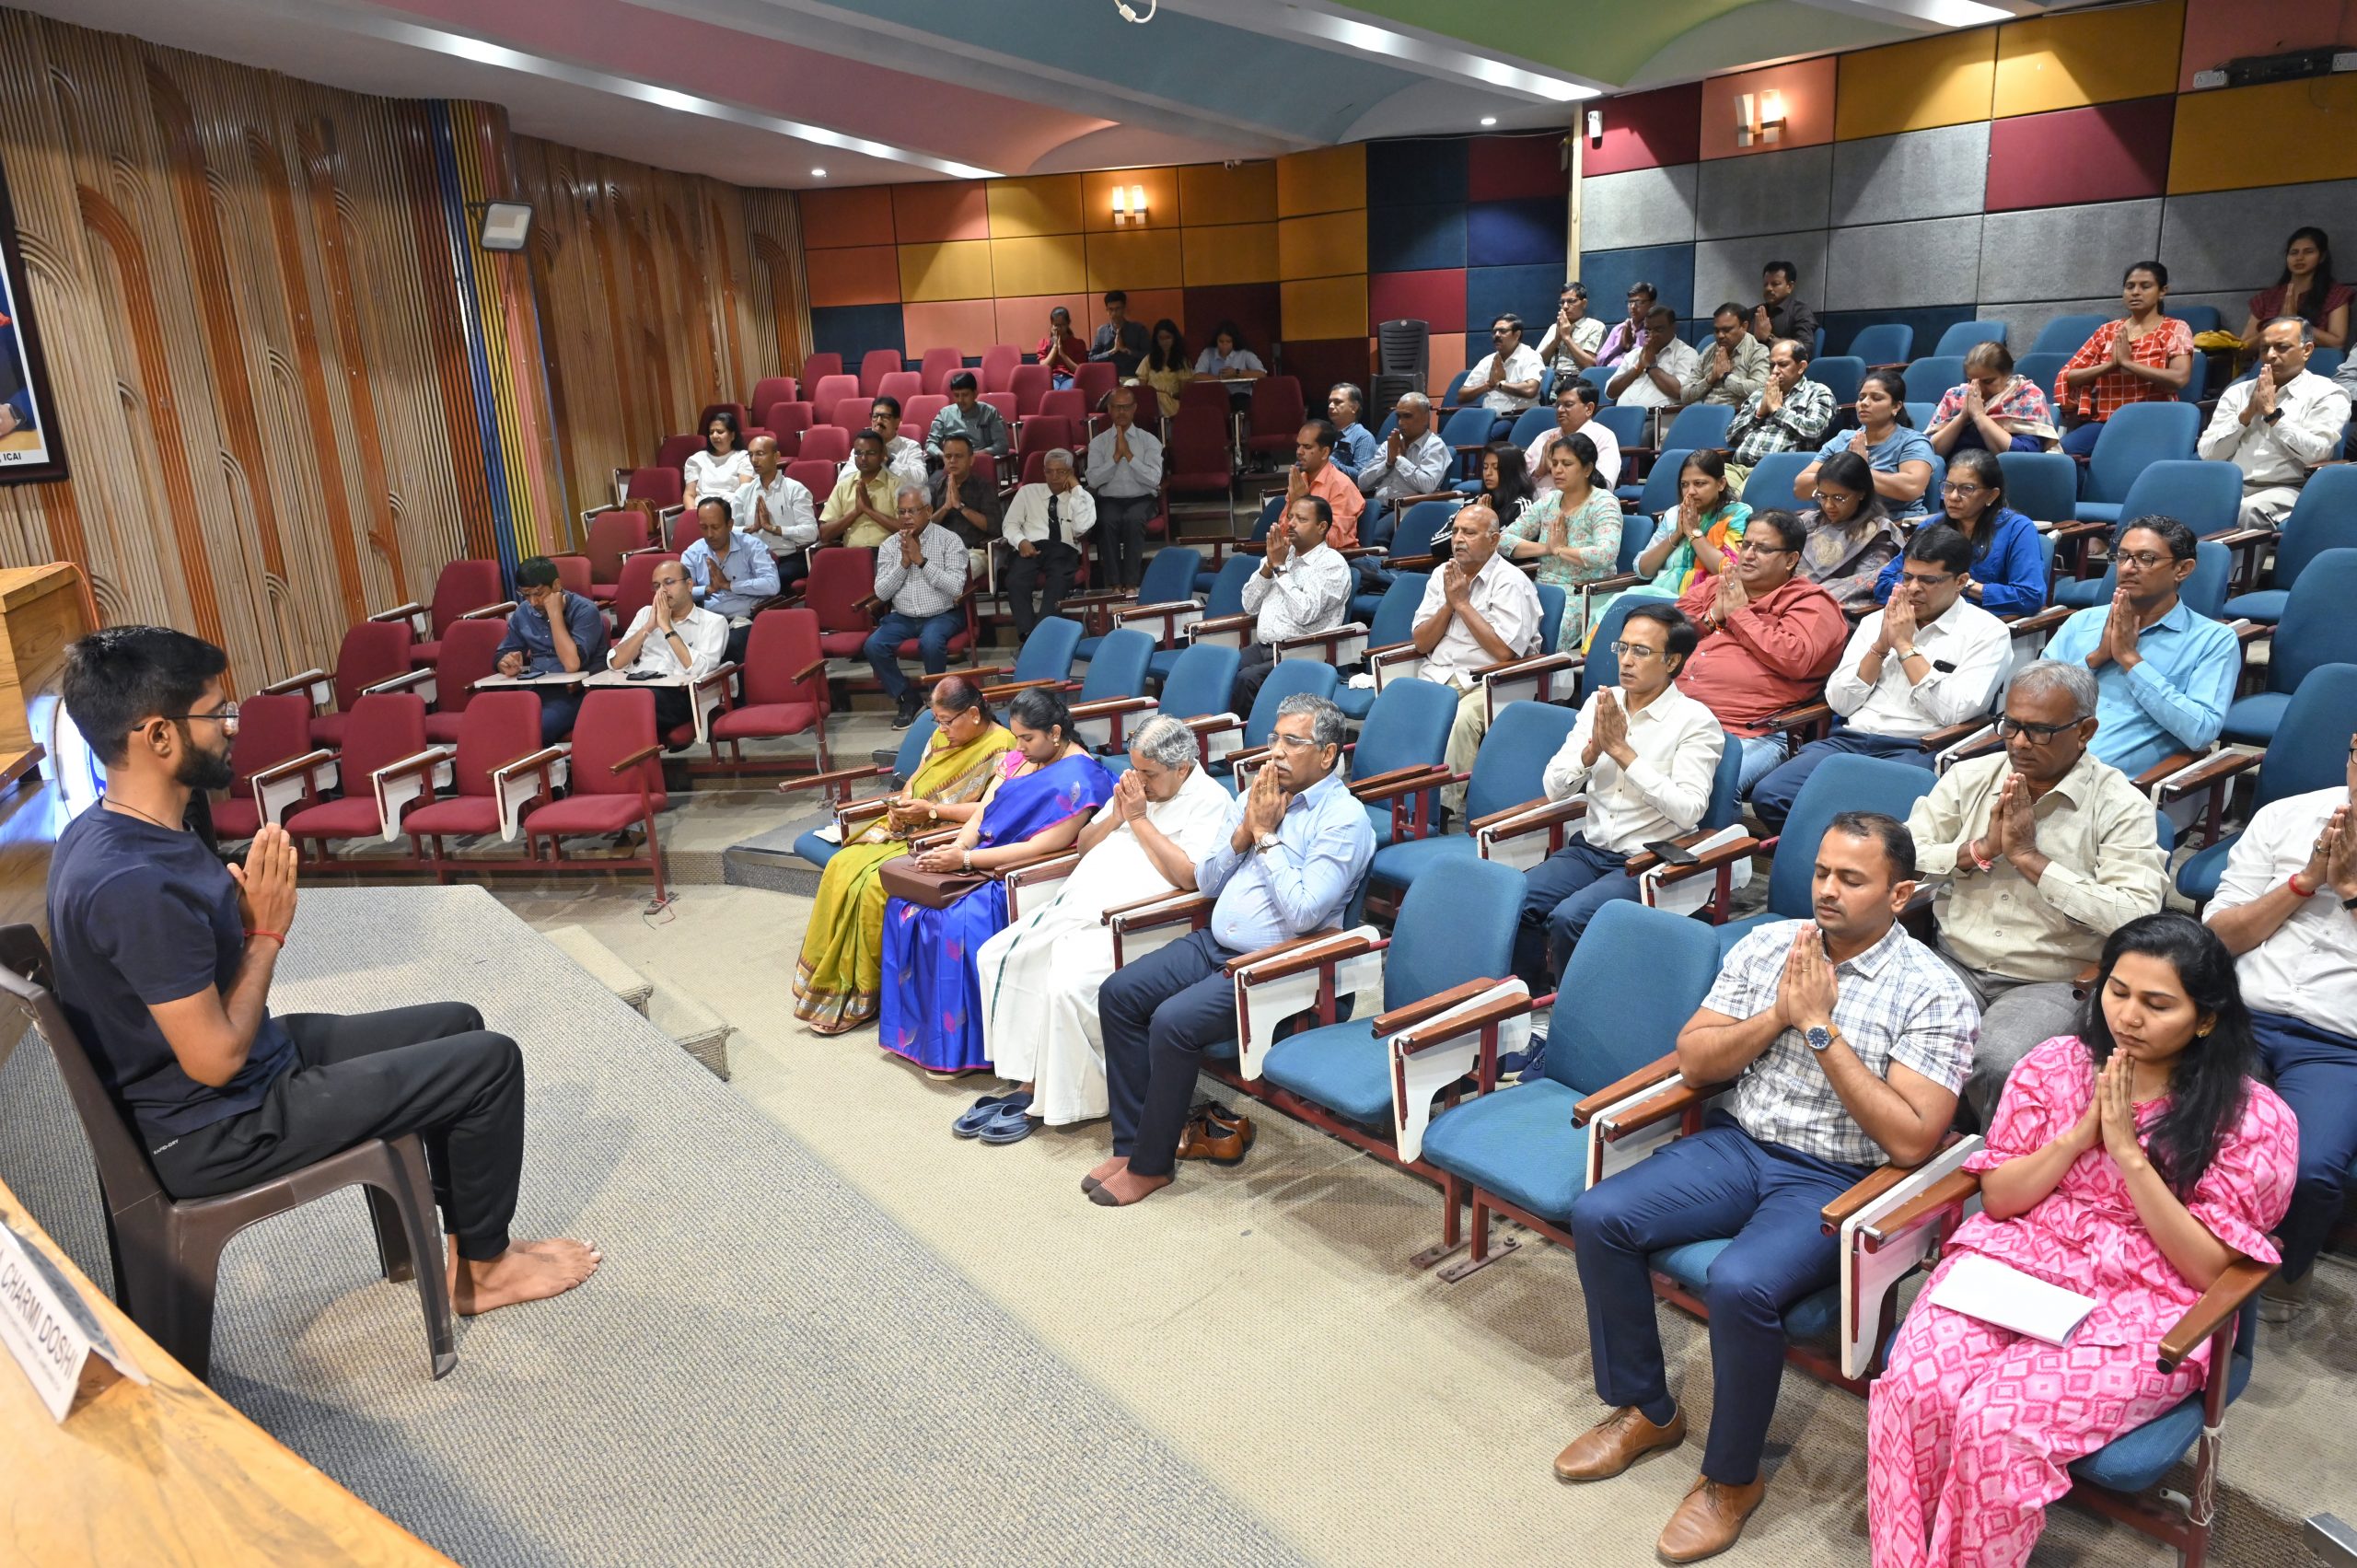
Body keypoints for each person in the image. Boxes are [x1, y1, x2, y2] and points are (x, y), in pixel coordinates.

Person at [47, 628, 600, 1317]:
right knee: (490, 1063)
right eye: (216, 713)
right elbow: (215, 1059)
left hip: (234, 1079)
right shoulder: (131, 883)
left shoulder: (110, 829)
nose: (231, 726)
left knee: (459, 1025)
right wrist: (266, 934)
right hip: (214, 1126)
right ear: (159, 736)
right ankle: (483, 1275)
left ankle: (469, 1246)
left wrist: (232, 921)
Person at [1562, 813, 1975, 1563]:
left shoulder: (1934, 992)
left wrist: (1818, 1028)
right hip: (1738, 1145)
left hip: (1837, 1176)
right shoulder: (1767, 945)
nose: (1827, 889)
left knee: (1740, 1282)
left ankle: (1731, 1478)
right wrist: (1780, 1013)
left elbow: (1914, 1139)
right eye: (1821, 872)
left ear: (1900, 893)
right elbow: (1696, 1057)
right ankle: (1646, 1408)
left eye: (1851, 878)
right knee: (1600, 1215)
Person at [1866, 913, 2294, 1568]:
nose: (2128, 1016)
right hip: (2016, 1261)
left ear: (2206, 1018)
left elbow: (2209, 1268)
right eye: (2117, 991)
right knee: (1916, 1389)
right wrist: (2077, 1137)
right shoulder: (2053, 1064)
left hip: (2149, 1297)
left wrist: (2128, 1154)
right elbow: (2001, 1199)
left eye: (2158, 1004)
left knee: (1998, 1422)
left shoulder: (2251, 1116)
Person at [1089, 694, 1374, 1208]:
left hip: (1279, 965)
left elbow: (1304, 913)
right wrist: (1244, 832)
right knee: (1119, 993)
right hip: (1215, 944)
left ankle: (1151, 1166)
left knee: (1172, 1023)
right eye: (1274, 738)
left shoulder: (1344, 820)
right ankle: (1130, 1145)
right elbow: (1206, 880)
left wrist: (1265, 836)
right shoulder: (1255, 795)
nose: (1276, 751)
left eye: (1293, 741)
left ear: (1328, 754)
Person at [1904, 659, 2169, 1126]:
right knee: (1878, 1020)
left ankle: (1995, 1159)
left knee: (2001, 1060)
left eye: (2040, 731)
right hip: (1953, 960)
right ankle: (1907, 1145)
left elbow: (2136, 914)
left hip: (2051, 978)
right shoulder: (1969, 778)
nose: (2019, 742)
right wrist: (1977, 851)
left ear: (2085, 731)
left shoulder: (2121, 806)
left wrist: (2032, 861)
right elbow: (1900, 856)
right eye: (2011, 725)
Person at [970, 715, 1233, 1137]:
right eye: (1135, 769)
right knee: (998, 955)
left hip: (1139, 921)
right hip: (1081, 901)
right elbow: (1084, 846)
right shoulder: (1135, 787)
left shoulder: (1211, 800)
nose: (1139, 781)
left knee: (1066, 986)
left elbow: (1189, 877)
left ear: (1182, 768)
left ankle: (1071, 1098)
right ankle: (1029, 1077)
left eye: (1149, 773)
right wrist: (1117, 816)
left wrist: (1140, 819)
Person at [878, 686, 1115, 1074]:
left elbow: (1042, 846)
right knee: (904, 906)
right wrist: (957, 848)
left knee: (949, 921)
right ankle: (920, 1039)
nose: (1018, 747)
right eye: (1017, 736)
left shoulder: (1081, 778)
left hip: (1015, 874)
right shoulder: (1021, 759)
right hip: (980, 857)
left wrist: (966, 859)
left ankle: (963, 1050)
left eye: (1027, 738)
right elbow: (983, 813)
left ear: (1055, 733)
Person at [2203, 729, 2357, 1322]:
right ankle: (2187, 1252)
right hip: (2244, 1015)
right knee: (2191, 1127)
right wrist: (2304, 882)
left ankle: (2285, 1272)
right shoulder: (2286, 817)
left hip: (2340, 1042)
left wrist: (2349, 892)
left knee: (2311, 1169)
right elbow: (2219, 937)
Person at [1750, 526, 2009, 832]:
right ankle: (1827, 854)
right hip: (1850, 741)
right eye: (1907, 577)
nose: (1913, 589)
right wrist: (1880, 647)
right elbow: (1840, 703)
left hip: (1917, 749)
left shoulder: (1987, 633)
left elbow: (1955, 712)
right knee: (1772, 795)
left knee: (1872, 820)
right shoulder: (1876, 622)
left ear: (1961, 582)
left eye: (1928, 580)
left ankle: (1854, 857)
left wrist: (1905, 648)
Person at [792, 679, 1014, 1034]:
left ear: (974, 714)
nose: (942, 729)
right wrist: (902, 805)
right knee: (840, 866)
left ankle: (863, 997)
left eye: (947, 721)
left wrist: (931, 811)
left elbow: (990, 810)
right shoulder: (942, 736)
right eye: (937, 721)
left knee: (872, 887)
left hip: (948, 835)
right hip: (911, 823)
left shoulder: (1004, 746)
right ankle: (827, 986)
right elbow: (916, 779)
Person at [1515, 605, 1721, 985]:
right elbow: (1553, 788)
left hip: (1647, 861)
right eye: (1622, 647)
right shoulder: (1600, 705)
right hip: (1590, 850)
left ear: (1672, 661)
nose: (1626, 660)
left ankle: (1578, 1011)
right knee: (1516, 900)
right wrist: (1592, 751)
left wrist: (1623, 753)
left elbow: (1690, 811)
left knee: (1571, 918)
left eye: (1641, 651)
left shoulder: (1695, 722)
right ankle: (1530, 1001)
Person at [2041, 516, 2238, 778]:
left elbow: (2200, 732)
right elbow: (2033, 701)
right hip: (2041, 765)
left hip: (2115, 786)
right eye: (2122, 556)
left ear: (2182, 569)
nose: (2127, 568)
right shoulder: (2082, 623)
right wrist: (2095, 659)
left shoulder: (2213, 640)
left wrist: (2131, 661)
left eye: (2146, 558)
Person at [1672, 509, 1848, 794]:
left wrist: (1739, 615)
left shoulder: (1811, 603)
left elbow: (1794, 658)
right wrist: (1713, 616)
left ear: (1791, 560)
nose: (1749, 555)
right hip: (1677, 718)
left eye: (1763, 549)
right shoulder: (1718, 585)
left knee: (1704, 789)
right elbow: (1666, 635)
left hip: (1750, 732)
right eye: (1746, 545)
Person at [1411, 504, 1543, 815]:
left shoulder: (1510, 581)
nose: (1458, 539)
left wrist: (1463, 604)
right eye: (1456, 531)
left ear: (1494, 540)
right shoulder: (1442, 574)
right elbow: (1421, 642)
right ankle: (1399, 794)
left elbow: (1504, 651)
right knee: (1404, 705)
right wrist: (1449, 603)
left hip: (1491, 680)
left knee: (1462, 719)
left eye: (1469, 533)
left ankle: (1440, 810)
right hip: (1440, 673)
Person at [2197, 315, 2352, 528]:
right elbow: (2208, 454)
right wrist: (2246, 415)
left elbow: (2317, 453)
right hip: (2231, 485)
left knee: (2248, 509)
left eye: (2282, 347)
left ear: (2307, 350)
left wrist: (2272, 415)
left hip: (2289, 488)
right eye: (2265, 348)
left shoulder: (2328, 393)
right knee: (2183, 500)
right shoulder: (2238, 392)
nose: (2270, 355)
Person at [1872, 447, 2044, 617]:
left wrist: (1962, 586)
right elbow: (1884, 583)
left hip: (1982, 624)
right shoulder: (1932, 526)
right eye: (1948, 487)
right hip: (1925, 619)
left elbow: (2029, 596)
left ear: (1991, 495)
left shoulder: (2017, 529)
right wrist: (1929, 587)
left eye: (1967, 489)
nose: (1953, 496)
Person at [2053, 261, 2196, 458]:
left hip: (2154, 421)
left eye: (2145, 286)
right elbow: (2070, 376)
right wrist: (2112, 365)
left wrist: (2128, 363)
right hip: (2106, 422)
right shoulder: (2107, 331)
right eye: (2130, 287)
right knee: (2058, 454)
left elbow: (2179, 378)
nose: (2135, 292)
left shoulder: (2175, 328)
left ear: (2162, 291)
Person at [865, 484, 971, 729]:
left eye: (912, 511)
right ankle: (907, 698)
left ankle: (938, 702)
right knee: (873, 645)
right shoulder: (890, 545)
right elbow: (881, 593)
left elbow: (956, 587)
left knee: (931, 643)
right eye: (901, 512)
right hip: (902, 617)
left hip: (942, 614)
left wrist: (921, 561)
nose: (906, 517)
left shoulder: (949, 540)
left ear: (928, 510)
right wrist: (904, 563)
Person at [1503, 435, 1621, 651]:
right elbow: (1503, 540)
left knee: (1534, 643)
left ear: (1587, 469)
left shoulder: (1604, 503)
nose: (1557, 470)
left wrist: (1560, 550)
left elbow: (1606, 555)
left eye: (1566, 464)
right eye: (1554, 463)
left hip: (1581, 594)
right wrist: (1547, 548)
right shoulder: (1550, 500)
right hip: (1540, 589)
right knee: (1501, 629)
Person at [1234, 494, 1351, 713]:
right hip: (1264, 647)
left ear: (1322, 527)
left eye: (1302, 519)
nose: (1292, 524)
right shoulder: (1280, 555)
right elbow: (1249, 605)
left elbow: (1306, 613)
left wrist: (1280, 569)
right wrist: (1268, 566)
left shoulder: (1331, 564)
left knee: (1247, 679)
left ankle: (1248, 733)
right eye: (1290, 517)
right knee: (1222, 668)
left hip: (1303, 652)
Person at [608, 558, 728, 738]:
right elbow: (615, 663)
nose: (662, 591)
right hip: (637, 688)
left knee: (626, 710)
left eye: (669, 582)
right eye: (657, 586)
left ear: (689, 585)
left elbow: (700, 670)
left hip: (678, 695)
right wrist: (648, 627)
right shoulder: (645, 615)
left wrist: (666, 626)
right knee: (599, 701)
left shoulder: (714, 623)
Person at [494, 555, 609, 744]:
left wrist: (555, 613)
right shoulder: (523, 612)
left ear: (556, 585)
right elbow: (503, 652)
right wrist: (505, 662)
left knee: (535, 729)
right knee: (493, 723)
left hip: (575, 692)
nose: (533, 602)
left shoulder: (585, 611)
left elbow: (572, 664)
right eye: (526, 595)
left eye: (538, 593)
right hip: (535, 688)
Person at [1796, 370, 1934, 523]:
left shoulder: (1912, 441)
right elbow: (1801, 487)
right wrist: (1842, 473)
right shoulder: (1843, 438)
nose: (1864, 403)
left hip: (1893, 525)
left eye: (1876, 398)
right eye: (1861, 397)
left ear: (1896, 406)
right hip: (1842, 524)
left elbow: (1911, 488)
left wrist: (1861, 470)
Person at [1627, 449, 1752, 606]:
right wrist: (1676, 535)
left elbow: (1730, 570)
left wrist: (1693, 532)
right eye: (1684, 485)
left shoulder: (1737, 514)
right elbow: (1643, 571)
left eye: (1699, 483)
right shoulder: (1675, 514)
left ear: (1721, 484)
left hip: (1701, 603)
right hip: (1657, 595)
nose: (1690, 492)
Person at [1001, 448, 1095, 641]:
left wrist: (1076, 489)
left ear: (1071, 472)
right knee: (1015, 580)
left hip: (1063, 549)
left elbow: (1081, 528)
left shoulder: (1082, 497)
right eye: (1049, 471)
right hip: (1031, 547)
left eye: (1061, 472)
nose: (1054, 477)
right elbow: (1009, 524)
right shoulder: (1027, 492)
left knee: (1059, 581)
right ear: (1043, 471)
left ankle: (1041, 638)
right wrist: (1021, 541)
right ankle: (1027, 635)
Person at [1794, 450, 1903, 612]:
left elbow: (1861, 585)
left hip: (1827, 609)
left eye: (1839, 498)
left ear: (1861, 493)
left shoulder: (1877, 532)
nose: (1828, 505)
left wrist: (1805, 595)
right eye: (1822, 496)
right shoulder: (1809, 520)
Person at [1724, 337, 1835, 492]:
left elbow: (1814, 430)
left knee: (1734, 500)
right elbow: (1731, 438)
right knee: (1703, 487)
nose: (1775, 371)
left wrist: (1777, 410)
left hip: (1779, 469)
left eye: (1782, 364)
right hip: (1738, 468)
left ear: (1801, 367)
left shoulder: (1818, 392)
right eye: (1772, 365)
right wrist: (1759, 413)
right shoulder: (1759, 395)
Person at [679, 496, 781, 664]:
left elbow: (772, 584)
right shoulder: (693, 553)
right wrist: (707, 589)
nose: (709, 534)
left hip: (744, 621)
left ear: (730, 524)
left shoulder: (751, 546)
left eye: (715, 527)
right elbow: (681, 592)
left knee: (727, 647)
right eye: (704, 527)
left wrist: (729, 585)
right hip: (708, 623)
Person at [1085, 389, 1162, 590]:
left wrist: (1129, 456)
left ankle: (1131, 584)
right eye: (1117, 407)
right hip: (1110, 499)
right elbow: (1093, 480)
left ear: (1134, 408)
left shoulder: (1149, 441)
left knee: (1133, 520)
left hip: (1142, 499)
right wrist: (1115, 458)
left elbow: (1154, 479)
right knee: (1105, 521)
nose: (1121, 412)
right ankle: (1115, 584)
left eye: (1126, 407)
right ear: (1109, 409)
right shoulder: (1098, 443)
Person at [1925, 341, 2057, 456]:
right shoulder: (1955, 396)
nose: (1978, 389)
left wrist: (1979, 416)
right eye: (1971, 381)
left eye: (1988, 381)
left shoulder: (2028, 396)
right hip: (1953, 469)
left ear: (2007, 374)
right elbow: (1928, 452)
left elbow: (2025, 454)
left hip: (2002, 472)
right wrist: (1963, 416)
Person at [1356, 391, 1453, 539]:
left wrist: (1399, 459)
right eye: (1398, 416)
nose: (1401, 422)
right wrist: (1388, 463)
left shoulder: (1434, 446)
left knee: (1372, 537)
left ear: (1426, 417)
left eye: (1407, 416)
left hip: (1408, 509)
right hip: (1377, 506)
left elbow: (1428, 486)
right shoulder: (1390, 443)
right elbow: (1362, 483)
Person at [2238, 226, 2349, 352]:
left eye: (2308, 252)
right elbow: (2242, 349)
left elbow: (2337, 343)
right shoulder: (2268, 298)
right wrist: (2275, 329)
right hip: (2267, 362)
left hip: (2314, 362)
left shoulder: (2335, 294)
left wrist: (2297, 324)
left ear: (2322, 257)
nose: (2299, 258)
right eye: (2294, 252)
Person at [735, 434, 819, 590]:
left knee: (774, 578)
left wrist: (773, 528)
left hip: (788, 556)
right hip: (754, 559)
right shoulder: (743, 492)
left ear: (776, 456)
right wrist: (750, 528)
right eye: (750, 455)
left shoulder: (795, 489)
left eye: (760, 454)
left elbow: (811, 532)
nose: (754, 460)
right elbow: (730, 530)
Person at [1276, 420, 1366, 552]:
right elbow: (1282, 534)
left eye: (1307, 447)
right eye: (1298, 446)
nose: (1299, 452)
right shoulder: (1300, 481)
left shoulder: (1341, 486)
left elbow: (1331, 540)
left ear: (1324, 453)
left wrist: (1300, 502)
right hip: (1294, 555)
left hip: (1335, 558)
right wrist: (1293, 503)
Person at [1528, 379, 1621, 495]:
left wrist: (1554, 468)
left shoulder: (1603, 437)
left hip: (1578, 505)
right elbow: (1517, 483)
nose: (1560, 410)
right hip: (1532, 504)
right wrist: (1540, 470)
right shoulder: (1544, 437)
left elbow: (1604, 488)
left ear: (1589, 409)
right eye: (1558, 405)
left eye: (1568, 405)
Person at [1607, 306, 1702, 418]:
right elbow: (1610, 392)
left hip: (1656, 421)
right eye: (1647, 330)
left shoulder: (1686, 353)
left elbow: (1681, 392)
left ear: (1673, 327)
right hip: (1622, 418)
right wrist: (1637, 368)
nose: (1651, 335)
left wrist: (1651, 367)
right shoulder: (1634, 354)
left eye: (1658, 330)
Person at [1460, 313, 1546, 436]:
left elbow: (1530, 390)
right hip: (1487, 419)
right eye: (1494, 331)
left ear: (1517, 334)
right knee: (1463, 433)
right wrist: (1487, 386)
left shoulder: (1531, 357)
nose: (1496, 335)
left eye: (1502, 331)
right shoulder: (1488, 360)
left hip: (1517, 419)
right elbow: (1462, 396)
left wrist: (1500, 384)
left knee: (1484, 435)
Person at [818, 429, 900, 549]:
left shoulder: (897, 485)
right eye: (858, 453)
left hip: (887, 554)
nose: (863, 458)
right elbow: (824, 534)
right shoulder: (843, 486)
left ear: (883, 456)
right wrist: (856, 512)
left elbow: (908, 529)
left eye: (871, 453)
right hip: (852, 555)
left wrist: (869, 511)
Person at [1682, 302, 1771, 410]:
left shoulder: (1758, 351)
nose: (1720, 335)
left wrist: (1726, 377)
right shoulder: (1709, 351)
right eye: (1717, 331)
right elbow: (1684, 395)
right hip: (1706, 413)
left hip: (1737, 415)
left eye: (1727, 330)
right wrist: (1710, 379)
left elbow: (1761, 389)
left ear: (1744, 326)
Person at [926, 430, 1003, 555]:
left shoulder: (984, 487)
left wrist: (961, 507)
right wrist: (945, 508)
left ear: (971, 460)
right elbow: (923, 529)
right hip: (938, 551)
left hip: (972, 552)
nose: (952, 460)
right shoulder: (934, 487)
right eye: (948, 456)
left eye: (959, 456)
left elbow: (994, 527)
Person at [838, 396, 927, 493]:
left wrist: (888, 462)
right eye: (875, 416)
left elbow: (920, 480)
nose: (879, 421)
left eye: (885, 417)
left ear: (897, 422)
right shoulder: (862, 447)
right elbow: (842, 480)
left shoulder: (910, 447)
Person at [924, 371, 1010, 460]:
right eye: (956, 395)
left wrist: (975, 455)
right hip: (951, 463)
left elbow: (1002, 445)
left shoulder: (990, 413)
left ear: (975, 394)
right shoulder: (945, 414)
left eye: (965, 395)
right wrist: (944, 456)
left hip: (980, 461)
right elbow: (930, 444)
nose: (960, 400)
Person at [1467, 442, 1537, 540]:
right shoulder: (1474, 503)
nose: (1488, 473)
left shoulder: (1522, 507)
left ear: (1512, 471)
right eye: (1485, 467)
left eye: (1496, 468)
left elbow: (1510, 546)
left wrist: (1483, 523)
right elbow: (1443, 539)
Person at [683, 408, 754, 503]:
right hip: (701, 508)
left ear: (732, 435)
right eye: (711, 432)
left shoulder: (744, 457)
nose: (714, 436)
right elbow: (689, 494)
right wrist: (692, 512)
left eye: (720, 432)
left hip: (731, 508)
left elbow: (744, 493)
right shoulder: (697, 459)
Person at [1538, 281, 1606, 377]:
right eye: (1562, 302)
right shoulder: (1554, 328)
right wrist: (1557, 339)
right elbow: (1538, 362)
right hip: (1553, 379)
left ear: (1584, 303)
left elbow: (1590, 365)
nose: (1565, 306)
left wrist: (1566, 337)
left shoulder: (1595, 326)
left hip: (1579, 380)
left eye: (1571, 301)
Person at [1752, 260, 1817, 351]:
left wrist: (1769, 337)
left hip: (1781, 360)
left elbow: (1804, 348)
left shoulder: (1800, 311)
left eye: (1775, 284)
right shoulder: (1754, 313)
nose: (1768, 288)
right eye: (1765, 284)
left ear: (1789, 286)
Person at [1089, 290, 1150, 377]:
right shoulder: (1102, 331)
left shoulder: (1138, 329)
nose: (1114, 313)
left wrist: (1127, 351)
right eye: (1111, 309)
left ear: (1124, 309)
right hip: (1108, 377)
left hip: (1132, 376)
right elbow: (1092, 359)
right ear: (1107, 310)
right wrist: (1111, 352)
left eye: (1118, 309)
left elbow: (1149, 356)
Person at [1596, 282, 1656, 368]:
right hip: (1610, 372)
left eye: (1639, 302)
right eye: (1630, 302)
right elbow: (1599, 362)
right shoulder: (1619, 328)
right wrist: (1619, 346)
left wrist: (1630, 346)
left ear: (1652, 304)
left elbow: (1653, 360)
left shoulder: (1656, 330)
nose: (1633, 307)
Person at [1325, 383, 1376, 476]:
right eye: (1330, 402)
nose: (1330, 406)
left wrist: (1326, 459)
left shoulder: (1363, 437)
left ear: (1354, 408)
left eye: (1337, 402)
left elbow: (1361, 476)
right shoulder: (1322, 432)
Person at [1138, 319, 1191, 404]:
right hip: (1151, 402)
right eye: (1161, 338)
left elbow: (1184, 393)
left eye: (1168, 338)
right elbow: (1142, 390)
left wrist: (1166, 395)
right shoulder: (1148, 359)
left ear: (1174, 338)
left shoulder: (1181, 361)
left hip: (1172, 402)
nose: (1164, 342)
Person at [1192, 321, 1265, 380]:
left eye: (1228, 342)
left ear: (1234, 341)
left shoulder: (1245, 353)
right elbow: (1197, 376)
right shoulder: (1208, 353)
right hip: (1216, 391)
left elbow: (1262, 374)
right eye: (1221, 341)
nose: (1224, 345)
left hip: (1241, 392)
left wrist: (1237, 372)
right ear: (1216, 340)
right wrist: (1220, 378)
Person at [1037, 306, 1086, 389]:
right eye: (1056, 325)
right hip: (1052, 378)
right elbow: (1043, 368)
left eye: (1062, 325)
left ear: (1068, 323)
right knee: (1052, 390)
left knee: (1066, 391)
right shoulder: (1044, 343)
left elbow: (1079, 371)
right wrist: (1055, 346)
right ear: (1052, 325)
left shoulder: (1079, 343)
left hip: (1070, 377)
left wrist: (1062, 354)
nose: (1059, 328)